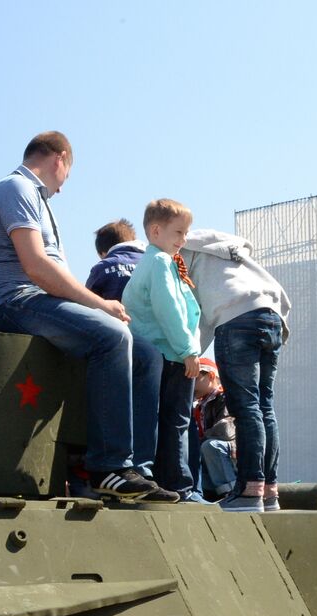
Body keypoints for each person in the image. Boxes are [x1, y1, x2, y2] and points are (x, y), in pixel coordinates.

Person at [0, 131, 175, 501]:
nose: (64, 187)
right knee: (113, 336)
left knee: (146, 355)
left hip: (35, 299)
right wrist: (100, 305)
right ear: (60, 158)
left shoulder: (34, 196)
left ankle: (137, 471)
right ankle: (107, 467)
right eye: (68, 173)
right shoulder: (15, 189)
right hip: (14, 301)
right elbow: (36, 267)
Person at [181, 229, 291, 513]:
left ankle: (248, 491)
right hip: (271, 317)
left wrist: (190, 353)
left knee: (245, 408)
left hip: (236, 319)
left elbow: (195, 310)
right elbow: (279, 293)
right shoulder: (234, 254)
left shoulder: (183, 253)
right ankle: (269, 493)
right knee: (264, 405)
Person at [122, 200, 203, 501]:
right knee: (177, 421)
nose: (184, 239)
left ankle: (162, 480)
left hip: (164, 353)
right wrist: (188, 350)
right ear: (156, 231)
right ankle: (180, 486)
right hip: (172, 354)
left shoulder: (157, 262)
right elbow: (169, 309)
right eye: (179, 232)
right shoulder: (160, 263)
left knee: (161, 419)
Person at [193, 358, 237, 498]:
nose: (191, 385)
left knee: (211, 446)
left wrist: (200, 440)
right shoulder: (200, 405)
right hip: (214, 461)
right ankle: (211, 492)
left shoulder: (224, 397)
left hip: (231, 453)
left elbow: (225, 431)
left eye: (195, 378)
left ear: (211, 376)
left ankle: (231, 491)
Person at [86, 218, 144, 300]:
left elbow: (87, 301)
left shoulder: (101, 268)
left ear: (102, 253)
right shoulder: (152, 260)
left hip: (116, 312)